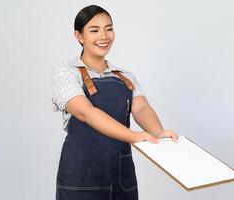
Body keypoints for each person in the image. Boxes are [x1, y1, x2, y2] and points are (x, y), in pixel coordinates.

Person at [51, 5, 179, 200]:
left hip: (122, 177)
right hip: (80, 180)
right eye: (94, 30)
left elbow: (141, 107)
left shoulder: (126, 77)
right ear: (79, 36)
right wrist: (134, 136)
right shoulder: (65, 71)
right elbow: (85, 112)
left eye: (108, 28)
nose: (104, 36)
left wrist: (158, 132)